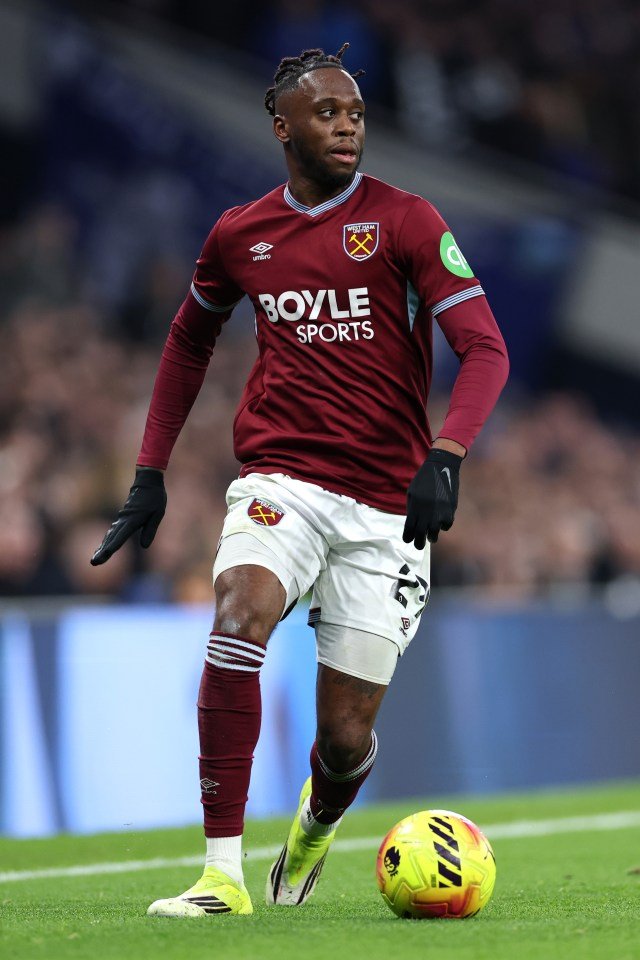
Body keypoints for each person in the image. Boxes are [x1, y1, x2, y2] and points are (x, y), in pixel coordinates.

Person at [91, 43, 509, 917]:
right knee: (238, 614)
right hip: (282, 478)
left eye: (356, 113)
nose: (348, 125)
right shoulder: (241, 234)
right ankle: (219, 876)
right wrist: (149, 472)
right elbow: (186, 343)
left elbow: (484, 349)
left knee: (344, 736)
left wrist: (448, 453)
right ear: (283, 128)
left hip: (388, 507)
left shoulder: (406, 220)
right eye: (328, 113)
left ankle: (314, 829)